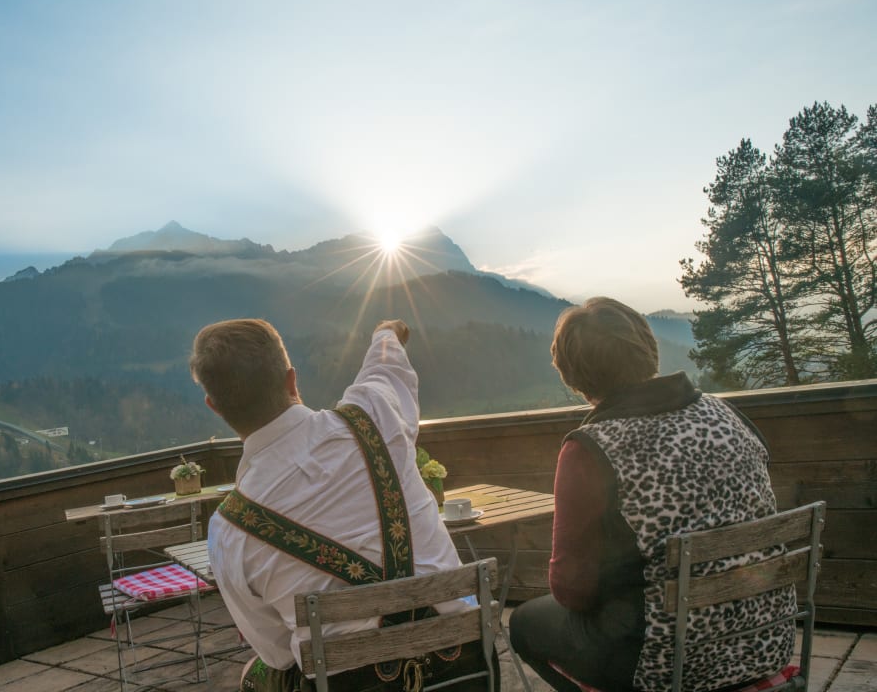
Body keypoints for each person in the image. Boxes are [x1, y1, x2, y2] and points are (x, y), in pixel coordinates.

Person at [191, 318, 493, 692]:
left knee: (256, 676)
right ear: (291, 380)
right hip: (467, 671)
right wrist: (386, 333)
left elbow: (278, 654)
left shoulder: (229, 530)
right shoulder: (373, 417)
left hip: (349, 684)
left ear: (215, 407)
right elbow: (385, 367)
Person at [509, 297, 795, 692]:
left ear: (573, 374)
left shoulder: (590, 448)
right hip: (767, 639)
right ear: (647, 347)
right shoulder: (726, 414)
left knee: (524, 623)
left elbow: (571, 589)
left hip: (666, 663)